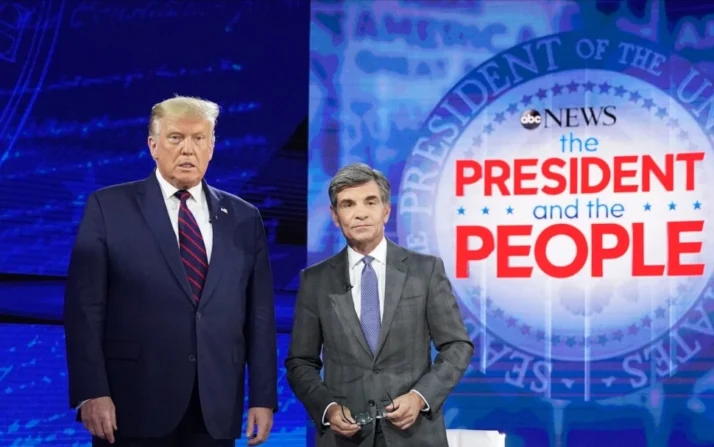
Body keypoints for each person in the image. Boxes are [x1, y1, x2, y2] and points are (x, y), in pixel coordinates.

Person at [64, 95, 278, 447]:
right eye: (176, 138)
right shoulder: (108, 207)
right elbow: (84, 309)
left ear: (211, 147)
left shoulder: (244, 217)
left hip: (214, 407)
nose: (188, 150)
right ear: (153, 145)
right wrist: (91, 392)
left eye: (199, 139)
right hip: (131, 402)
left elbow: (260, 315)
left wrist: (262, 397)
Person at [285, 163, 474, 447]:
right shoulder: (315, 281)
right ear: (335, 217)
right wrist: (328, 409)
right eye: (348, 204)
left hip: (415, 436)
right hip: (345, 438)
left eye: (370, 202)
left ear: (386, 210)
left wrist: (420, 397)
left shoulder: (425, 270)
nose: (360, 212)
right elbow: (300, 361)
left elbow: (457, 345)